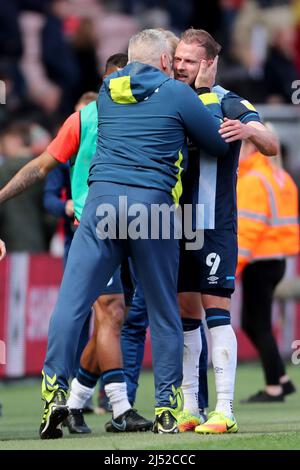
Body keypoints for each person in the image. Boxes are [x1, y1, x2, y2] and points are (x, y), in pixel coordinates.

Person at [38, 27, 228, 438]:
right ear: (164, 61)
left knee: (71, 303)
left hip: (101, 206)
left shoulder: (106, 91)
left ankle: (54, 393)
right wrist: (206, 92)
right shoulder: (178, 94)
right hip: (152, 208)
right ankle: (165, 408)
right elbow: (216, 143)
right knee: (163, 309)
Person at [0, 54, 152, 435]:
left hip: (106, 227)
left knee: (102, 312)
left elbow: (40, 166)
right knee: (111, 312)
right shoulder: (142, 114)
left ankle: (68, 397)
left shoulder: (85, 118)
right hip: (118, 227)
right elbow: (41, 169)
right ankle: (120, 406)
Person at [173, 28, 279, 434]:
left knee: (216, 311)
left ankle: (225, 409)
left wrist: (249, 131)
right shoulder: (167, 98)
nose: (181, 65)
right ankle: (191, 407)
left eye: (190, 60)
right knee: (185, 315)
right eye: (178, 58)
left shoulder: (229, 102)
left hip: (214, 222)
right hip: (174, 223)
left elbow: (270, 143)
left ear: (209, 63)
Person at [237, 138, 299, 403]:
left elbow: (248, 228)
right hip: (277, 258)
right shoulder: (279, 176)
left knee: (256, 323)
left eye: (240, 145)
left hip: (258, 260)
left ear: (251, 147)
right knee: (255, 322)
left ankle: (274, 385)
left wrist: (234, 265)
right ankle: (281, 379)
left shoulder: (252, 179)